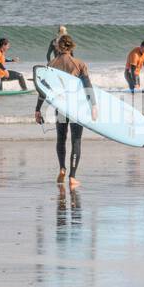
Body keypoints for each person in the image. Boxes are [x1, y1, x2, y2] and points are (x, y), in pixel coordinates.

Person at [35, 33, 97, 190]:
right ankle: (72, 177)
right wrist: (94, 106)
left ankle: (62, 168)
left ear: (59, 46)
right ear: (72, 46)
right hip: (76, 108)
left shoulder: (51, 64)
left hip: (60, 108)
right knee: (76, 141)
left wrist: (37, 109)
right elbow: (88, 87)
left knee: (61, 139)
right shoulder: (79, 64)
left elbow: (43, 90)